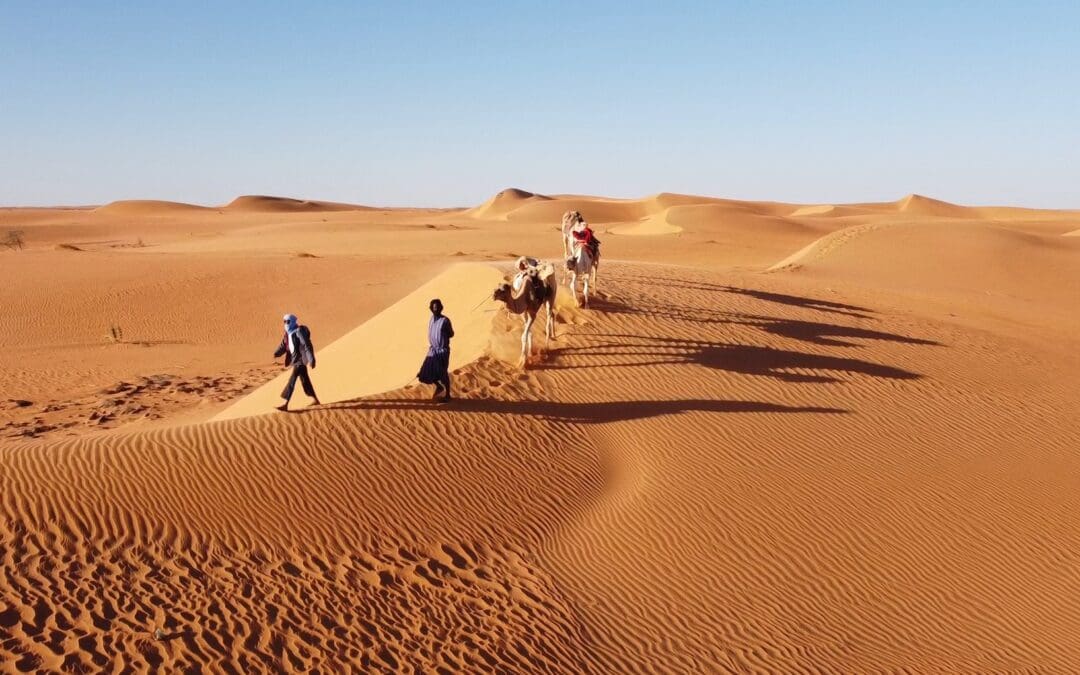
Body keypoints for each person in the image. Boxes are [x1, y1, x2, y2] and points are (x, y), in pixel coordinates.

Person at [273, 313, 320, 412]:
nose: (286, 323)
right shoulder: (288, 333)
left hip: (301, 360)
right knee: (305, 381)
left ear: (293, 321)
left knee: (292, 380)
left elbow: (307, 345)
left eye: (288, 321)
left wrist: (311, 359)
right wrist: (277, 353)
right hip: (295, 360)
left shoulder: (299, 331)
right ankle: (316, 400)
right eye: (284, 321)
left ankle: (285, 404)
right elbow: (283, 345)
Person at [417, 298, 454, 402]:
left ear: (441, 308)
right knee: (426, 372)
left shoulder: (445, 321)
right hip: (433, 350)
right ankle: (439, 386)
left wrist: (443, 335)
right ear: (431, 309)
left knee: (442, 372)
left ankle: (447, 394)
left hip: (442, 351)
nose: (435, 309)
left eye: (437, 307)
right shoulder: (431, 319)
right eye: (434, 308)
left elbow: (451, 334)